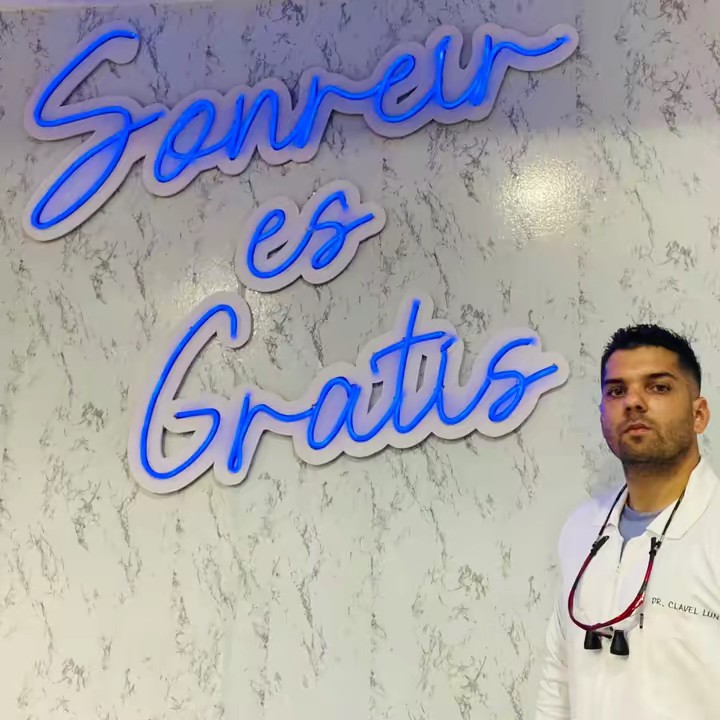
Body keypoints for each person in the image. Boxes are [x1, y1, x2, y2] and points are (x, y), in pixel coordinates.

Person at [535, 324, 720, 720]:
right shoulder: (581, 529)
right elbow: (558, 678)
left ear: (699, 414)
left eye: (658, 387)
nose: (633, 401)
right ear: (603, 414)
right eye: (616, 391)